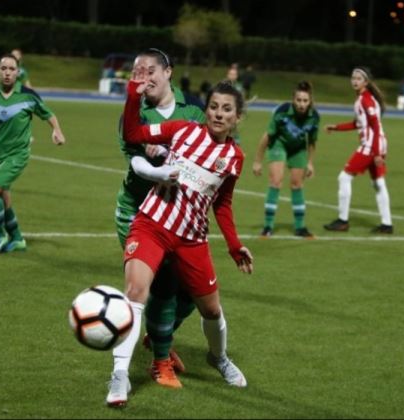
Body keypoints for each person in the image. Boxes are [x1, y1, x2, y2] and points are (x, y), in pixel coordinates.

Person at [106, 78, 254, 407]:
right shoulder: (182, 130)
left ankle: (219, 358)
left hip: (192, 238)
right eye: (213, 106)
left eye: (226, 109)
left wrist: (234, 246)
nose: (218, 114)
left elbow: (223, 204)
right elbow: (133, 134)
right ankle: (119, 376)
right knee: (136, 293)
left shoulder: (234, 157)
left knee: (212, 310)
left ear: (237, 117)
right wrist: (133, 96)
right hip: (152, 225)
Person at [112, 48, 206, 398]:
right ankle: (160, 360)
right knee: (162, 284)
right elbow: (135, 165)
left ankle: (156, 334)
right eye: (136, 72)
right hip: (138, 211)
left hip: (180, 212)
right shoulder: (134, 112)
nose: (143, 78)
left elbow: (208, 154)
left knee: (193, 294)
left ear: (169, 72)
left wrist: (170, 154)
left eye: (150, 70)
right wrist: (159, 168)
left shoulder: (194, 110)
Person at [0, 53, 66, 254]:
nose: (7, 73)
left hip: (17, 154)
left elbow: (48, 114)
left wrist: (56, 130)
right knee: (3, 197)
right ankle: (17, 238)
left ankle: (0, 235)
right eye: (4, 68)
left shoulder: (28, 95)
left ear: (18, 72)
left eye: (11, 69)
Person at [324, 67, 393, 234]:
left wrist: (376, 153)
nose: (354, 81)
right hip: (377, 144)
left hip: (371, 146)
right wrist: (336, 127)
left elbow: (375, 126)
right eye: (353, 77)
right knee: (378, 182)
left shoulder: (365, 100)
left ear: (366, 82)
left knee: (344, 177)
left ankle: (342, 221)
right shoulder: (363, 98)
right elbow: (358, 124)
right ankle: (387, 224)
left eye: (358, 78)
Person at [252, 81, 320, 238]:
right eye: (298, 100)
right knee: (276, 180)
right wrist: (257, 160)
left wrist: (310, 162)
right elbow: (267, 136)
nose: (302, 104)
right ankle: (268, 227)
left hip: (298, 149)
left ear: (310, 101)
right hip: (279, 145)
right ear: (293, 100)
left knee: (297, 184)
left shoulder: (314, 117)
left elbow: (312, 142)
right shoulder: (282, 112)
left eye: (305, 101)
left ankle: (300, 228)